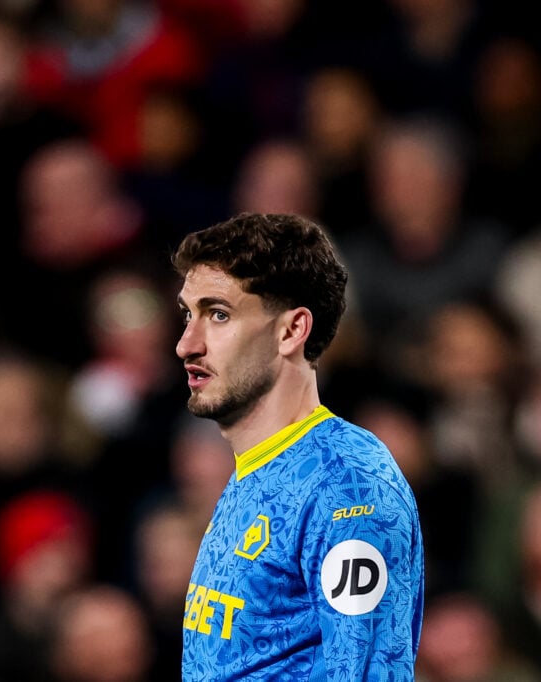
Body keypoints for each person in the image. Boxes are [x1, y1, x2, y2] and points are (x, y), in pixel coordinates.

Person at [172, 212, 425, 679]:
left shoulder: (347, 484)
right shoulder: (260, 467)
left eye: (219, 314)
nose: (187, 344)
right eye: (189, 314)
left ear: (292, 330)